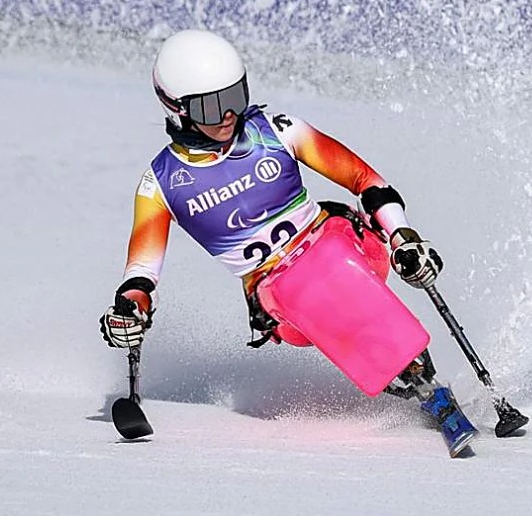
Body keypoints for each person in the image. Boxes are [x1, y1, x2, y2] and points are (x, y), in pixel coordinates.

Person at [99, 29, 478, 455]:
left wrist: (402, 236)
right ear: (177, 109)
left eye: (235, 96)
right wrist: (130, 309)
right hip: (278, 300)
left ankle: (426, 386)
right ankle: (417, 385)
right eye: (211, 106)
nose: (228, 114)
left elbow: (365, 180)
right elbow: (141, 272)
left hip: (344, 244)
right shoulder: (161, 184)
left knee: (327, 265)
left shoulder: (278, 131)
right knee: (303, 287)